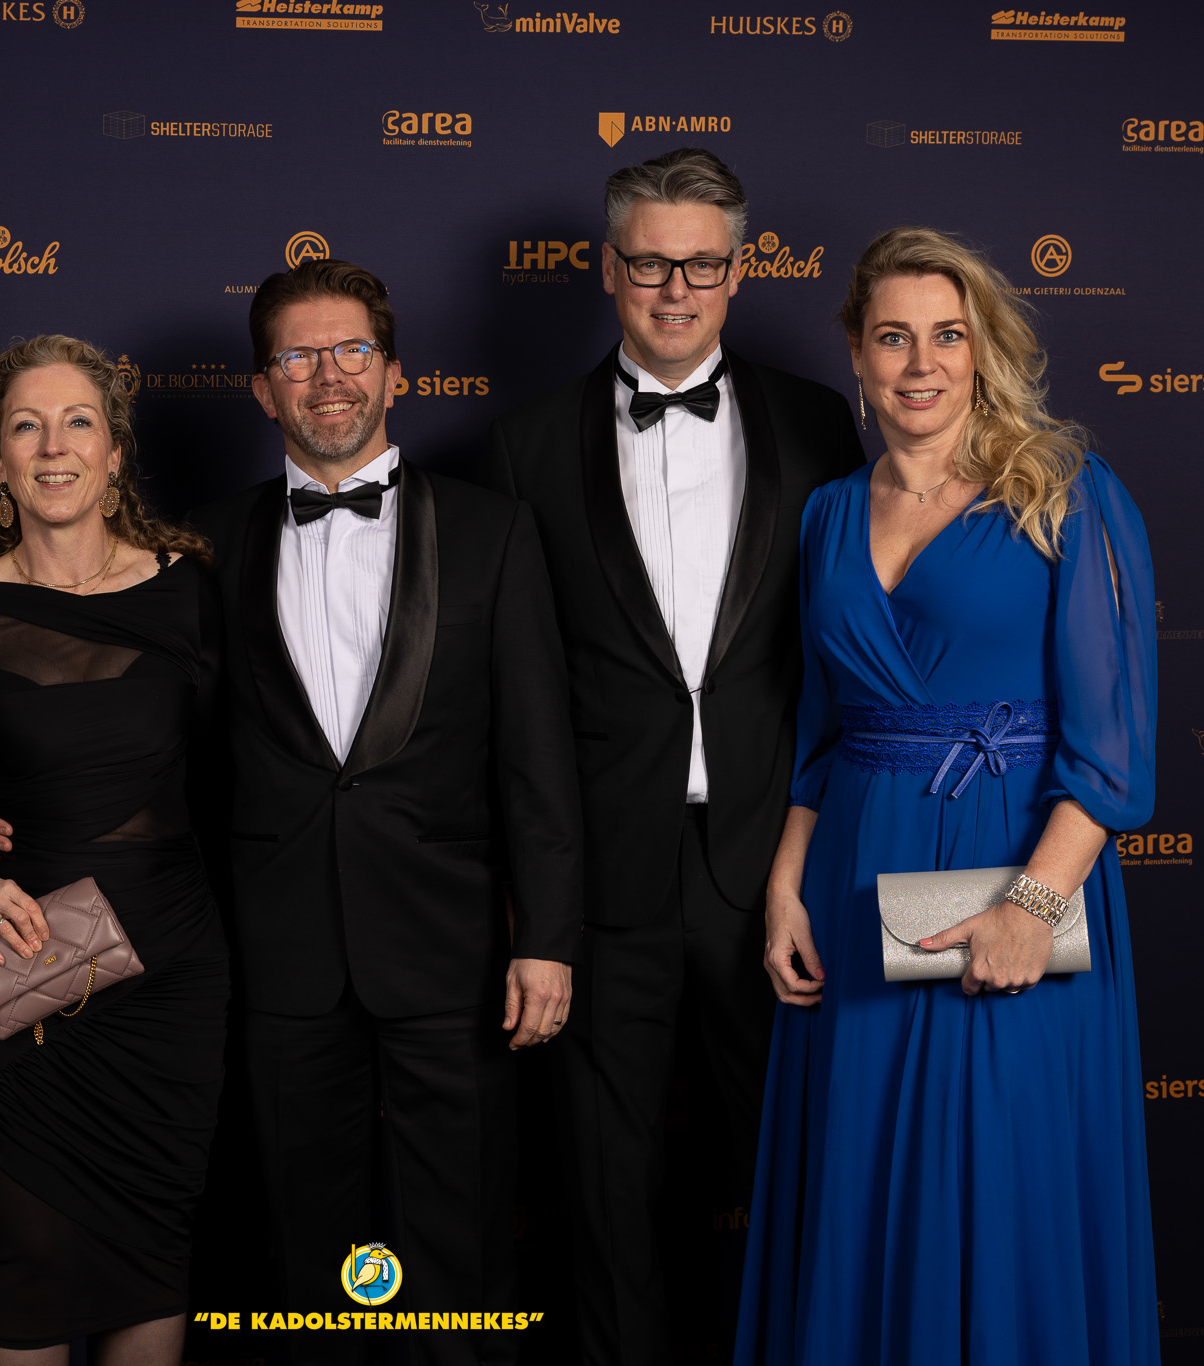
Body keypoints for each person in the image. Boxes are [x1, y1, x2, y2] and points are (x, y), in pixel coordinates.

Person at [0, 259, 582, 1366]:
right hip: (274, 956)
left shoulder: (493, 531)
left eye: (351, 351)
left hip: (449, 954)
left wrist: (545, 937)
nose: (327, 377)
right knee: (306, 1255)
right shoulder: (202, 549)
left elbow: (538, 754)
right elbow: (127, 726)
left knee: (461, 1248)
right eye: (297, 357)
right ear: (261, 388)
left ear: (395, 374)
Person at [735, 227, 1160, 1365]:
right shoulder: (828, 513)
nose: (919, 363)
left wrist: (1034, 904)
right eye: (892, 337)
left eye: (947, 336)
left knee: (1005, 1174)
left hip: (1014, 867)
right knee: (862, 1178)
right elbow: (819, 730)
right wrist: (784, 888)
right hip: (855, 879)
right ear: (855, 353)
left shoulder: (1066, 494)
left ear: (983, 350)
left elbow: (1112, 750)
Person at [484, 148, 864, 1364]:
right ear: (608, 270)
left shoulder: (817, 421)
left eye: (701, 266)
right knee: (605, 1192)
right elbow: (515, 695)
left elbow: (853, 648)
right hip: (603, 876)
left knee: (793, 1168)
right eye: (649, 264)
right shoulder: (522, 446)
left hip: (774, 869)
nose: (674, 290)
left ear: (738, 274)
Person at [0, 336, 229, 1366]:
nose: (53, 446)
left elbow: (235, 777)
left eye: (78, 422)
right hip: (29, 959)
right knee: (25, 1258)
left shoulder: (193, 594)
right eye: (25, 427)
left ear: (114, 452)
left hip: (169, 975)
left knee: (152, 1258)